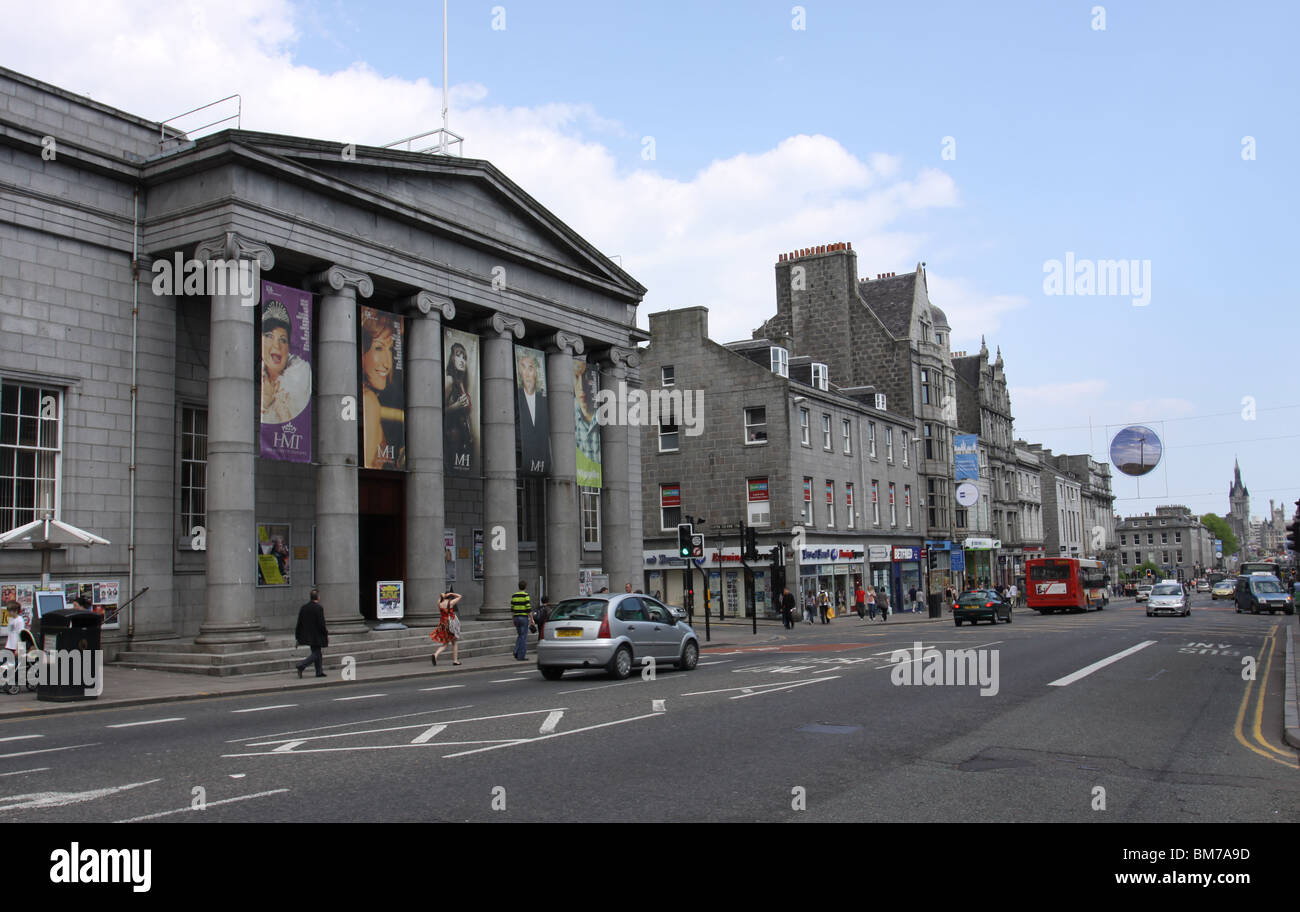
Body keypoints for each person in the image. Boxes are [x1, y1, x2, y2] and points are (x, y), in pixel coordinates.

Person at [360, 310, 402, 470]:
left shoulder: (367, 399)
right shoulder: (369, 401)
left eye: (390, 350)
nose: (387, 363)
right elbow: (371, 467)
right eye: (378, 348)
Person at [260, 299, 311, 425]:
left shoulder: (299, 379)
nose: (276, 346)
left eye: (283, 340)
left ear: (288, 347)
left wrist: (280, 408)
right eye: (269, 336)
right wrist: (265, 404)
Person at [516, 347, 550, 473]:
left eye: (530, 368)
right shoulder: (517, 398)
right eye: (523, 367)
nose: (527, 372)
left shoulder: (543, 398)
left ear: (536, 372)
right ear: (519, 372)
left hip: (540, 450)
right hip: (521, 447)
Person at [444, 340, 474, 468]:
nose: (462, 360)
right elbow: (440, 411)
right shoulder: (449, 381)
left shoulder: (460, 383)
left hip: (463, 438)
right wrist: (456, 406)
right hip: (452, 436)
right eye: (458, 355)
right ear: (451, 358)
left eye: (464, 357)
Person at [294, 589, 328, 678]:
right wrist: (325, 633)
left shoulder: (304, 607)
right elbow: (321, 623)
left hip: (307, 635)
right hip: (317, 635)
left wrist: (297, 637)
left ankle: (319, 672)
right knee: (316, 653)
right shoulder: (319, 608)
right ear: (318, 597)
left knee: (317, 652)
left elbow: (299, 623)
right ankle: (301, 665)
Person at [431, 589, 462, 666]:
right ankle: (455, 660)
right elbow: (460, 596)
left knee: (446, 643)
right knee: (454, 642)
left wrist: (443, 595)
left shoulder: (439, 602)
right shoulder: (451, 603)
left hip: (443, 624)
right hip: (450, 624)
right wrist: (452, 593)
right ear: (450, 596)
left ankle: (436, 655)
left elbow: (440, 597)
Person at [511, 581, 532, 661]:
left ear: (519, 586)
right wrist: (532, 619)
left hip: (516, 617)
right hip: (523, 618)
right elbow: (528, 608)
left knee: (520, 635)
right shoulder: (526, 595)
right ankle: (521, 656)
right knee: (523, 637)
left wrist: (513, 619)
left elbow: (512, 609)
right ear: (525, 587)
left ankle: (516, 650)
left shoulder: (514, 596)